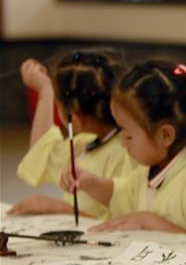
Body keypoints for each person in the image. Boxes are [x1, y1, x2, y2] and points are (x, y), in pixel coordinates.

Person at [76, 61, 186, 238]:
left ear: (165, 136)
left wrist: (148, 221)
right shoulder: (155, 164)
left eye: (129, 135)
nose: (122, 142)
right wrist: (90, 183)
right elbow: (123, 195)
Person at [10, 50, 136, 219]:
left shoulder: (127, 153)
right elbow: (43, 154)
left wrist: (57, 207)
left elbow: (123, 219)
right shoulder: (87, 142)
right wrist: (45, 90)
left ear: (75, 118)